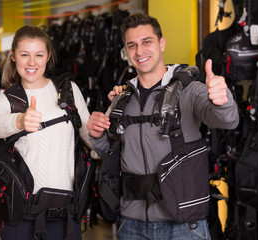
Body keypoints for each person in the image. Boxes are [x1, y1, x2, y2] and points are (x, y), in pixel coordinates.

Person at [87, 13, 239, 240]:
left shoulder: (190, 91)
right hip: (132, 225)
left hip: (184, 226)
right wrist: (97, 134)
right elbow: (110, 153)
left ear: (162, 43)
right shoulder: (121, 99)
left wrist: (223, 99)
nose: (140, 51)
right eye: (132, 45)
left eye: (147, 42)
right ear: (126, 52)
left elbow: (228, 120)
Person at [0, 25, 92, 240]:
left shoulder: (68, 91)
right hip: (20, 217)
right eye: (24, 54)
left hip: (66, 216)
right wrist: (20, 120)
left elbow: (90, 138)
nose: (32, 62)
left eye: (39, 55)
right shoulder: (5, 100)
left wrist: (109, 114)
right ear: (13, 56)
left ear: (48, 56)